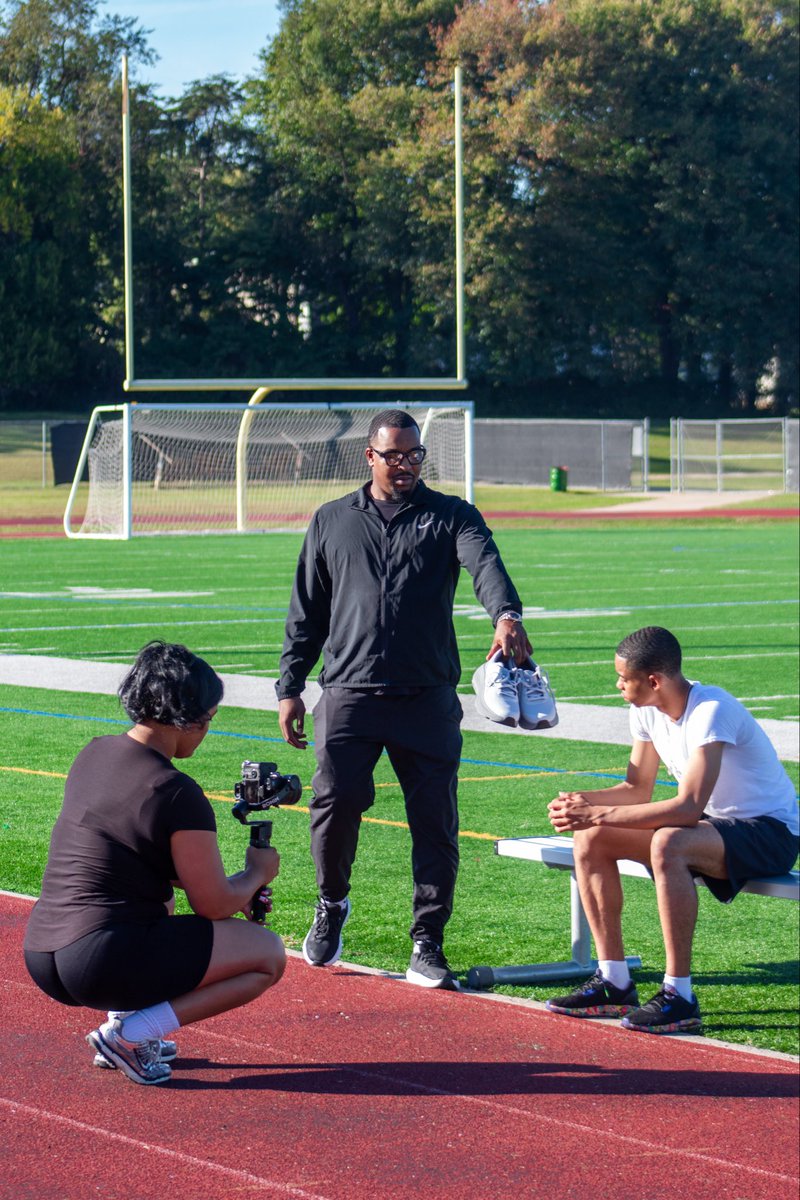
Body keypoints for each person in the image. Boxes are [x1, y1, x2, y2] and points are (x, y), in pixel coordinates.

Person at [277, 408, 532, 988]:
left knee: (435, 823)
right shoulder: (332, 519)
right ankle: (331, 901)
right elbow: (307, 610)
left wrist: (506, 615)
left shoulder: (452, 515)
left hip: (426, 697)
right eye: (394, 455)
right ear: (369, 456)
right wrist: (290, 686)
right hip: (349, 692)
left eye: (414, 455)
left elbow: (485, 565)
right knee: (334, 805)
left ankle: (427, 940)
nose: (406, 465)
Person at [24, 641, 285, 1085]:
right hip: (99, 960)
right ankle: (130, 1034)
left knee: (161, 899)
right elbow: (212, 905)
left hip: (44, 950)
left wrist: (237, 886)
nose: (207, 730)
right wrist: (257, 873)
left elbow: (132, 857)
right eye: (209, 718)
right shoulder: (176, 790)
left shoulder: (95, 752)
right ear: (187, 718)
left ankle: (127, 1021)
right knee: (267, 955)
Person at [545, 626, 799, 1033]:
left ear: (653, 681)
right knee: (591, 835)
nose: (617, 685)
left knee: (668, 841)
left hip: (770, 833)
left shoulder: (711, 710)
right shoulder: (645, 709)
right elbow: (636, 788)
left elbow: (687, 807)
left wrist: (597, 813)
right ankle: (613, 981)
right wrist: (581, 803)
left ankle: (679, 995)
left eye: (623, 678)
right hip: (713, 827)